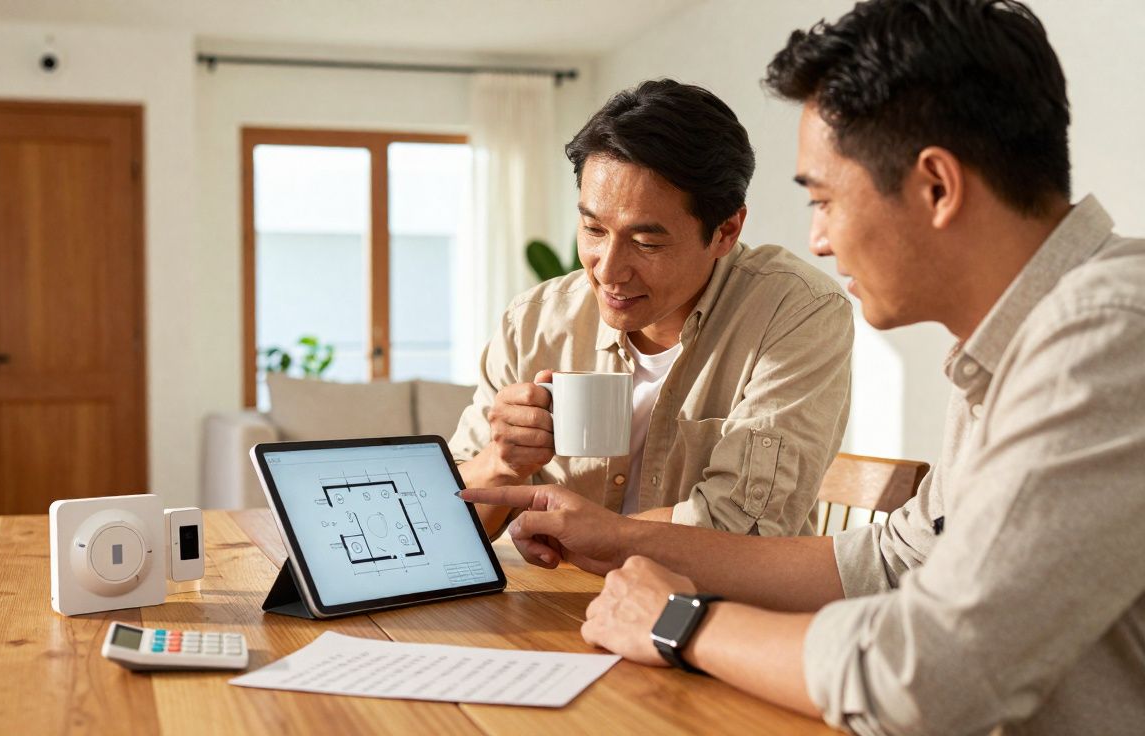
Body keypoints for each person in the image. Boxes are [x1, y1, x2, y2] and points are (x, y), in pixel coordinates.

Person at [460, 1, 1145, 734]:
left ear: (937, 188)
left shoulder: (1105, 336)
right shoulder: (1014, 345)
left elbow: (934, 674)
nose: (817, 240)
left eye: (823, 200)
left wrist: (682, 623)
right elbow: (891, 558)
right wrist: (620, 538)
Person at [449, 79, 854, 539]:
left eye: (646, 242)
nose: (609, 271)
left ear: (725, 230)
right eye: (593, 230)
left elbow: (743, 529)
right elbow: (445, 527)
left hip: (715, 605)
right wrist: (499, 463)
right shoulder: (535, 321)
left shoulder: (795, 311)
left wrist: (590, 535)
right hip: (557, 595)